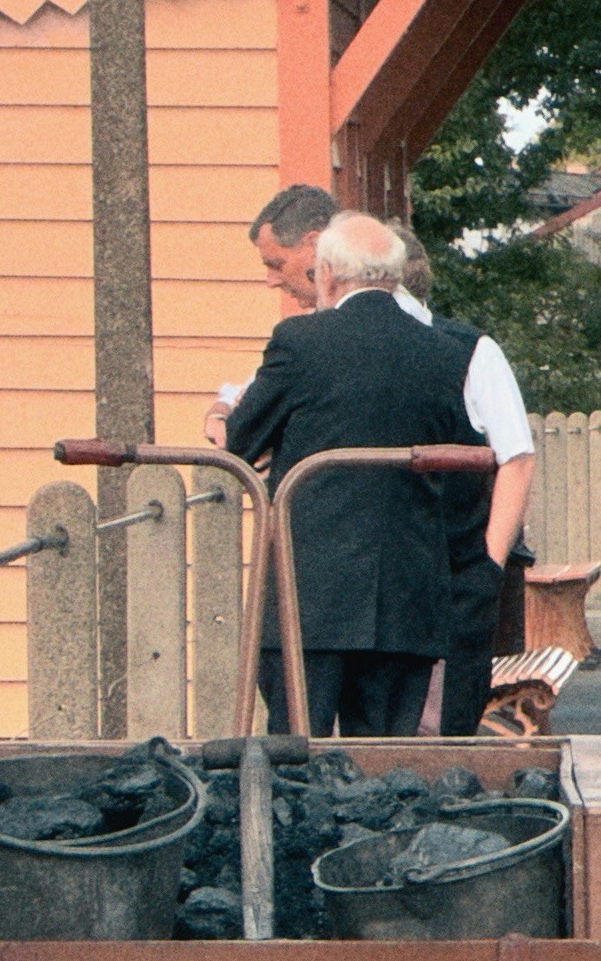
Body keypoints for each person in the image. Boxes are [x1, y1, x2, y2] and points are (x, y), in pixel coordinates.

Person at [221, 211, 475, 735]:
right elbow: (459, 454)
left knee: (294, 754)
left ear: (329, 273)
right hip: (406, 591)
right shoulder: (444, 353)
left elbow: (243, 440)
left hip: (307, 592)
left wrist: (222, 415)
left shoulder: (301, 341)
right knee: (387, 761)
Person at [391, 236, 536, 737]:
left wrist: (487, 569)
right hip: (389, 583)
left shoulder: (471, 352)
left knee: (440, 732)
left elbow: (517, 456)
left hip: (452, 572)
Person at [205, 184, 337, 443]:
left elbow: (240, 436)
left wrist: (224, 421)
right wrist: (224, 408)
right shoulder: (307, 333)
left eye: (277, 264)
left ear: (315, 245)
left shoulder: (302, 337)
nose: (271, 281)